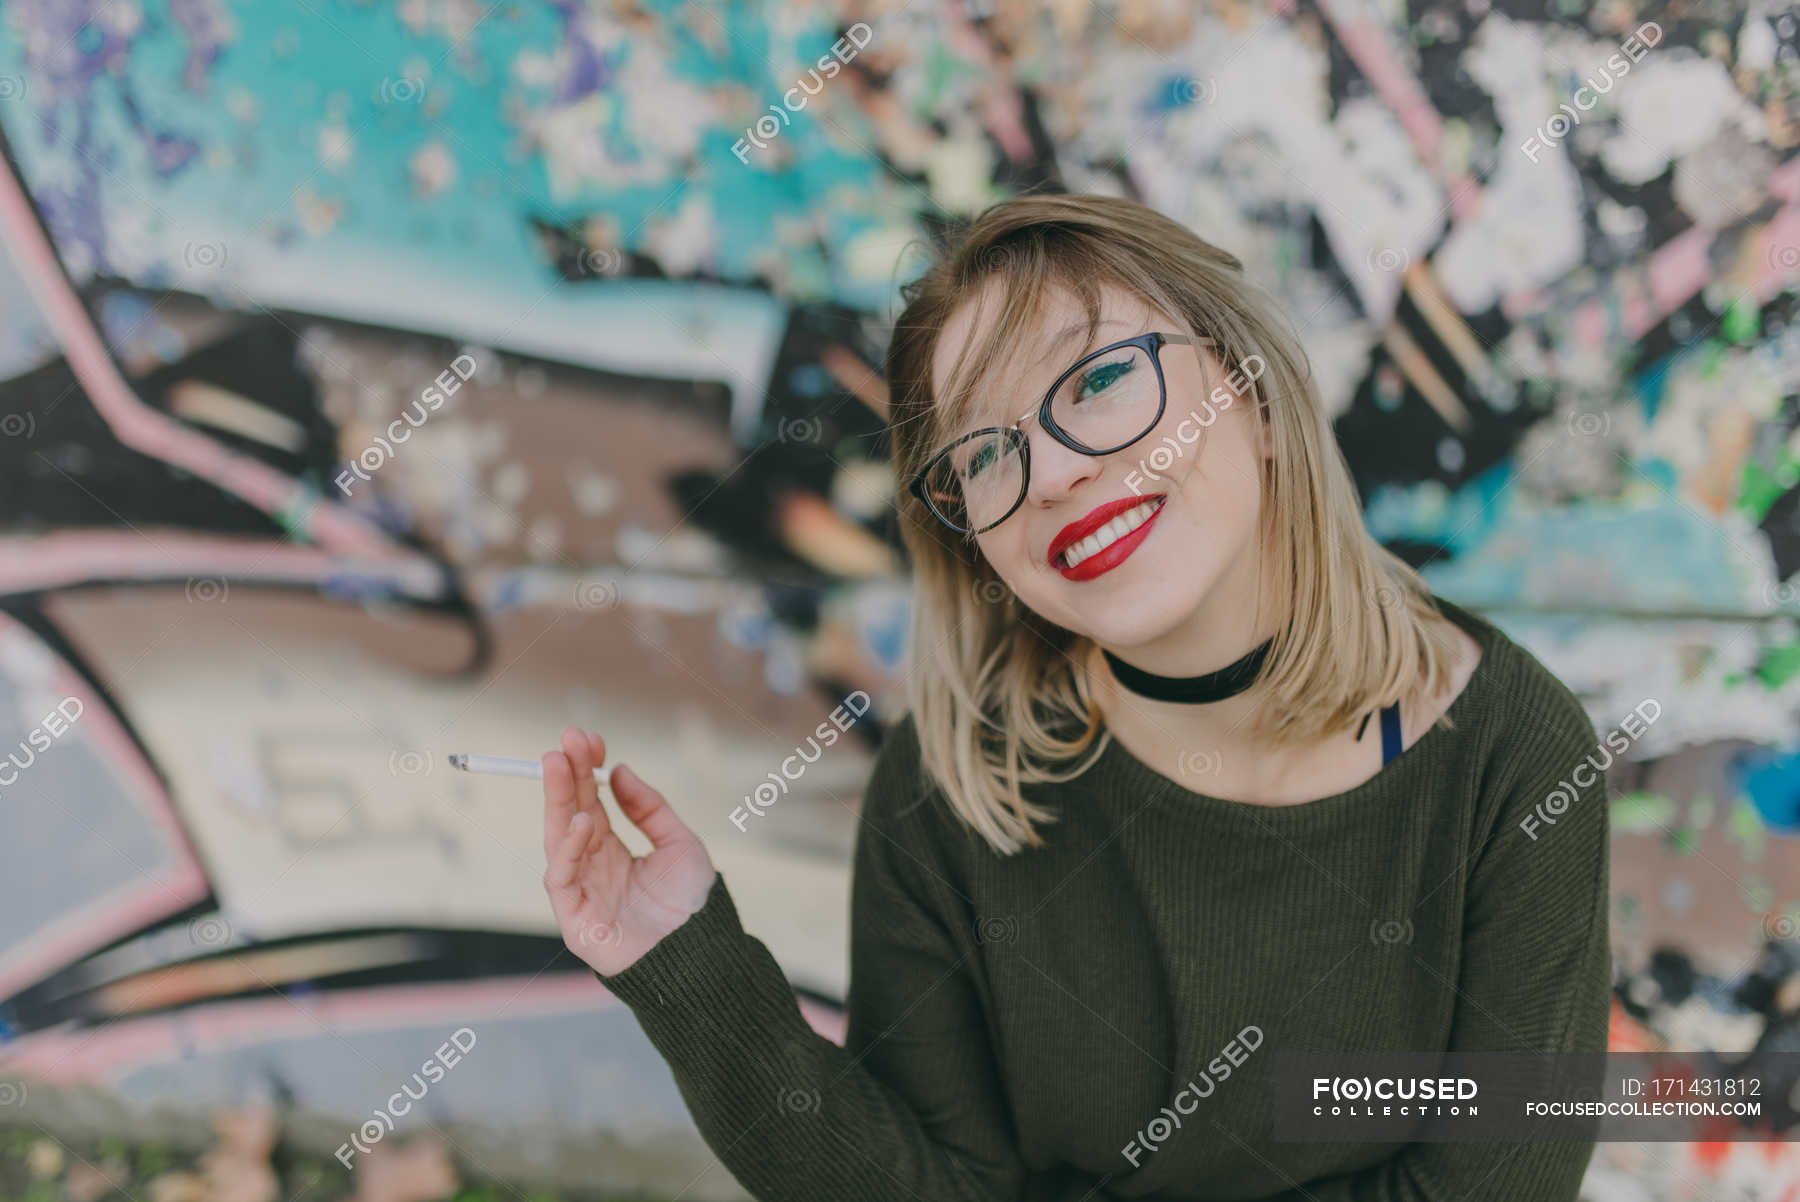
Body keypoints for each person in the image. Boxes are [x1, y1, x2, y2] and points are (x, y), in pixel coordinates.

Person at [538, 192, 1612, 1200]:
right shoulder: (961, 781)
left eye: (1096, 379)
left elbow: (1496, 1180)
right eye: (985, 450)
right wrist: (682, 960)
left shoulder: (1513, 759)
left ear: (1257, 395)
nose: (1049, 471)